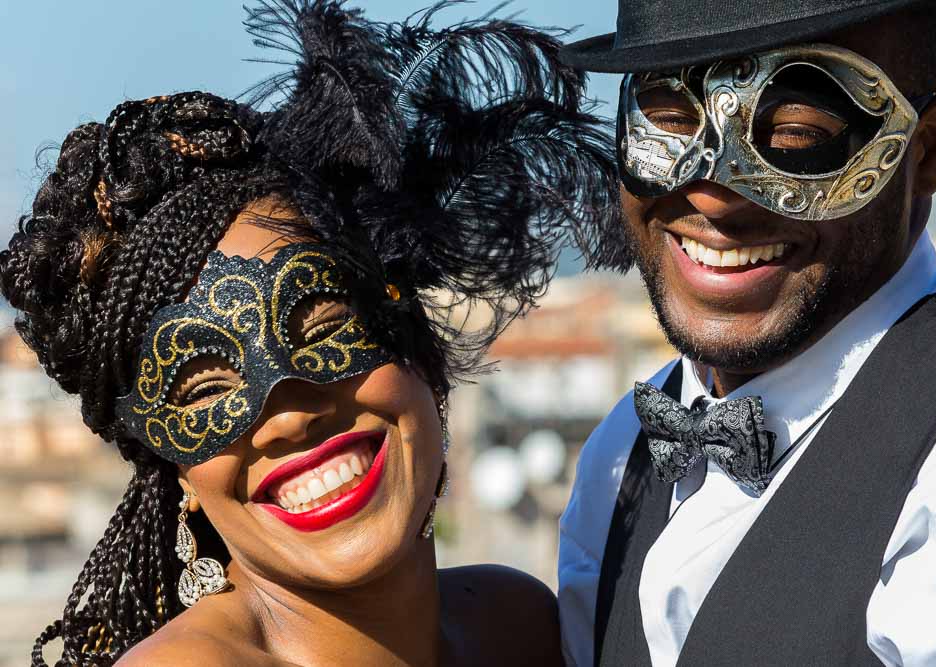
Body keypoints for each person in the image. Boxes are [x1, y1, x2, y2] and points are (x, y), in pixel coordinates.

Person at [1, 2, 621, 665]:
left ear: (412, 338)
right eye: (204, 386)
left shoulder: (518, 625)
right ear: (174, 467)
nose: (287, 413)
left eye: (324, 324)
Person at [556, 0, 936, 665]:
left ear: (929, 150)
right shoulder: (619, 455)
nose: (711, 193)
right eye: (669, 118)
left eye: (794, 132)